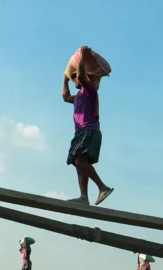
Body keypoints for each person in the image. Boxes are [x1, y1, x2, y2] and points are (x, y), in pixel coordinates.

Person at [62, 46, 114, 206]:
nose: (75, 79)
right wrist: (65, 77)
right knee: (79, 163)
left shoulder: (89, 90)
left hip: (89, 130)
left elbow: (83, 76)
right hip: (82, 132)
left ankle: (102, 187)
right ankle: (84, 197)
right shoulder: (77, 97)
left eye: (75, 76)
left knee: (79, 160)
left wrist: (83, 56)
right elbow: (64, 97)